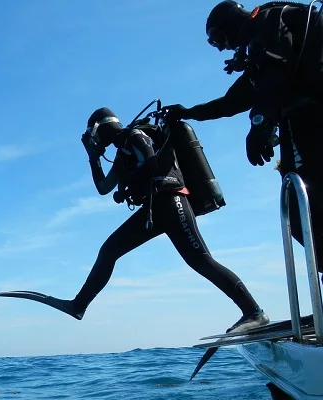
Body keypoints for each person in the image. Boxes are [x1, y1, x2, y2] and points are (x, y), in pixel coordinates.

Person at [44, 106, 268, 333]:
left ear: (99, 129)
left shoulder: (135, 135)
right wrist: (93, 159)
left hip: (172, 201)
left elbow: (152, 163)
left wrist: (132, 182)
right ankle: (79, 306)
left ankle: (254, 312)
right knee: (109, 251)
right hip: (155, 209)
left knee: (200, 260)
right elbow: (104, 187)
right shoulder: (122, 153)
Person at [163, 0, 323, 275]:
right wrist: (189, 112)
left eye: (217, 39)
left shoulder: (268, 23)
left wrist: (260, 123)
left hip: (311, 119)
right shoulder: (262, 48)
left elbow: (276, 76)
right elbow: (232, 102)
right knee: (300, 209)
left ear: (229, 24)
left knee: (304, 207)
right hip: (303, 120)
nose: (222, 47)